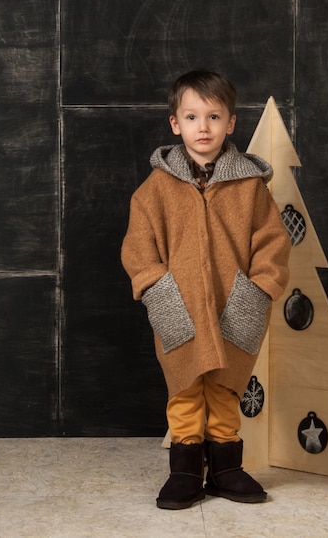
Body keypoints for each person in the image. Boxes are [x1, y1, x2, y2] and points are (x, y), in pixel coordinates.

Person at [121, 70, 290, 510]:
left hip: (237, 305)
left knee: (225, 386)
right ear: (175, 123)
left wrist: (260, 288)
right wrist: (159, 291)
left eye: (214, 117)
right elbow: (138, 249)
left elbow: (273, 242)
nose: (203, 127)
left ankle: (226, 468)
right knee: (185, 388)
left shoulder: (250, 187)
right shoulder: (156, 189)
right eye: (192, 116)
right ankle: (185, 471)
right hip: (179, 306)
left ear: (231, 123)